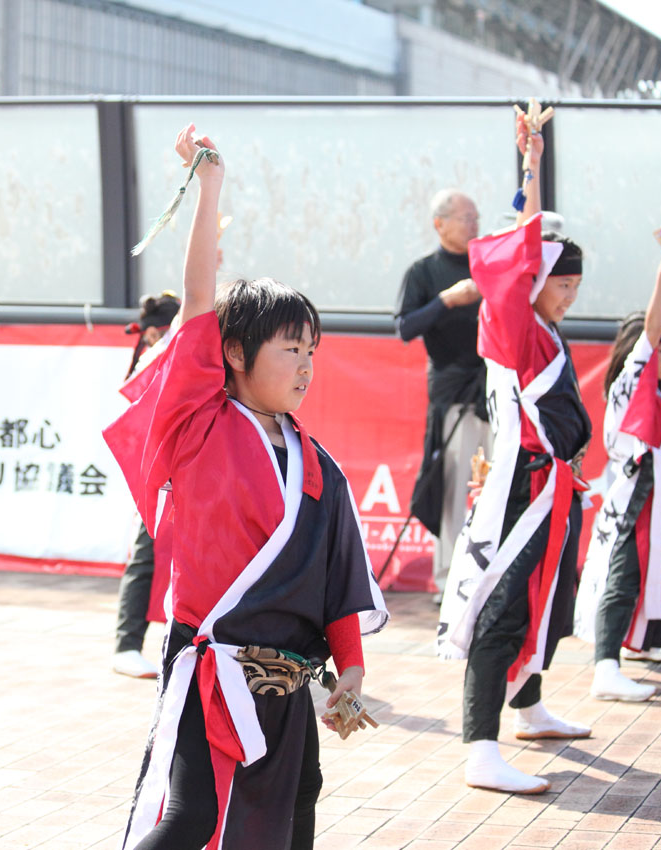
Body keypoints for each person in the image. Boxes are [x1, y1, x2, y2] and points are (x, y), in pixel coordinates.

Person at [105, 125, 388, 850]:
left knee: (295, 815)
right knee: (190, 816)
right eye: (290, 347)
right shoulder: (200, 423)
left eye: (312, 351)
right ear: (234, 352)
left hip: (289, 685)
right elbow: (201, 295)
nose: (304, 366)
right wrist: (210, 190)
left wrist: (350, 666)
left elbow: (337, 578)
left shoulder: (316, 463)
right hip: (211, 675)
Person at [436, 109, 592, 795]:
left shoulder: (545, 334)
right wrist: (529, 163)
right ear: (531, 285)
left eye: (574, 285)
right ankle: (480, 748)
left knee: (541, 601)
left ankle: (527, 707)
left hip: (554, 486)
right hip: (523, 490)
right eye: (562, 282)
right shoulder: (518, 328)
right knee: (502, 607)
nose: (569, 294)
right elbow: (519, 251)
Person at [575, 234, 661, 701]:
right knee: (623, 571)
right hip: (635, 487)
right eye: (657, 346)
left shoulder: (643, 387)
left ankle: (642, 643)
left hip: (648, 484)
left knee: (646, 566)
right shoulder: (634, 375)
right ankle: (606, 666)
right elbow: (651, 326)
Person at [397, 190, 492, 602]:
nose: (474, 224)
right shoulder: (424, 271)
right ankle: (449, 576)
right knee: (458, 486)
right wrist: (447, 300)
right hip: (453, 391)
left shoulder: (487, 264)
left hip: (494, 388)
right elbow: (405, 327)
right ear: (440, 223)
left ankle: (491, 571)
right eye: (466, 218)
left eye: (476, 217)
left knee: (496, 482)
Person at [113, 291, 182, 679]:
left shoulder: (165, 349)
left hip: (183, 465)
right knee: (146, 552)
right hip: (159, 469)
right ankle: (126, 645)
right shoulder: (152, 356)